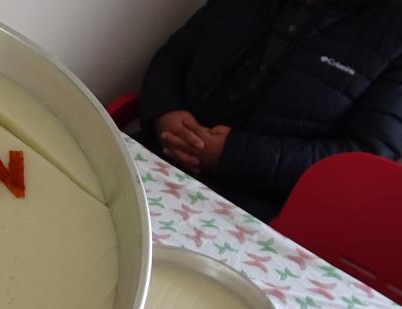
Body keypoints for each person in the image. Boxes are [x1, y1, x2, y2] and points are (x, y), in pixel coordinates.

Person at [139, 0, 402, 221]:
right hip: (157, 155)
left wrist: (232, 155)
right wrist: (164, 113)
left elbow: (361, 158)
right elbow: (173, 57)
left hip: (256, 213)